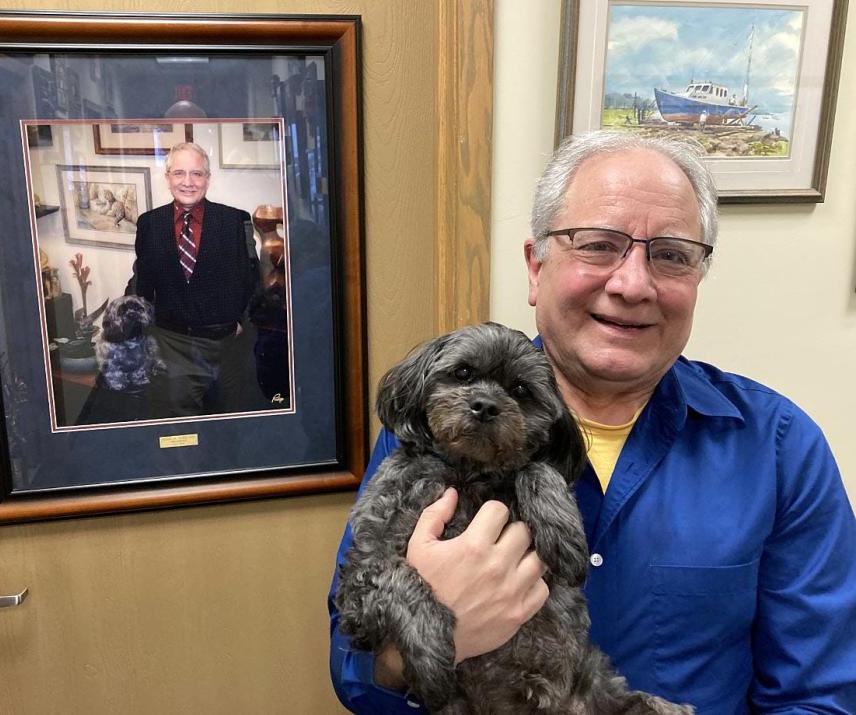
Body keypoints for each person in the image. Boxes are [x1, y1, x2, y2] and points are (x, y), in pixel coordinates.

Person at [328, 131, 856, 713]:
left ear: (698, 278)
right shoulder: (431, 431)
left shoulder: (779, 447)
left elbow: (819, 693)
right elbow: (356, 677)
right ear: (536, 268)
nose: (632, 284)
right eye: (600, 246)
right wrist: (425, 641)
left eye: (672, 254)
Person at [133, 141, 260, 416]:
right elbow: (141, 285)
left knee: (227, 427)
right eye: (179, 173)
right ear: (168, 178)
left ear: (208, 178)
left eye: (197, 173)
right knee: (179, 432)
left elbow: (252, 280)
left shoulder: (235, 221)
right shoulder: (149, 224)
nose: (188, 182)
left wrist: (241, 323)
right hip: (171, 345)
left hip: (226, 347)